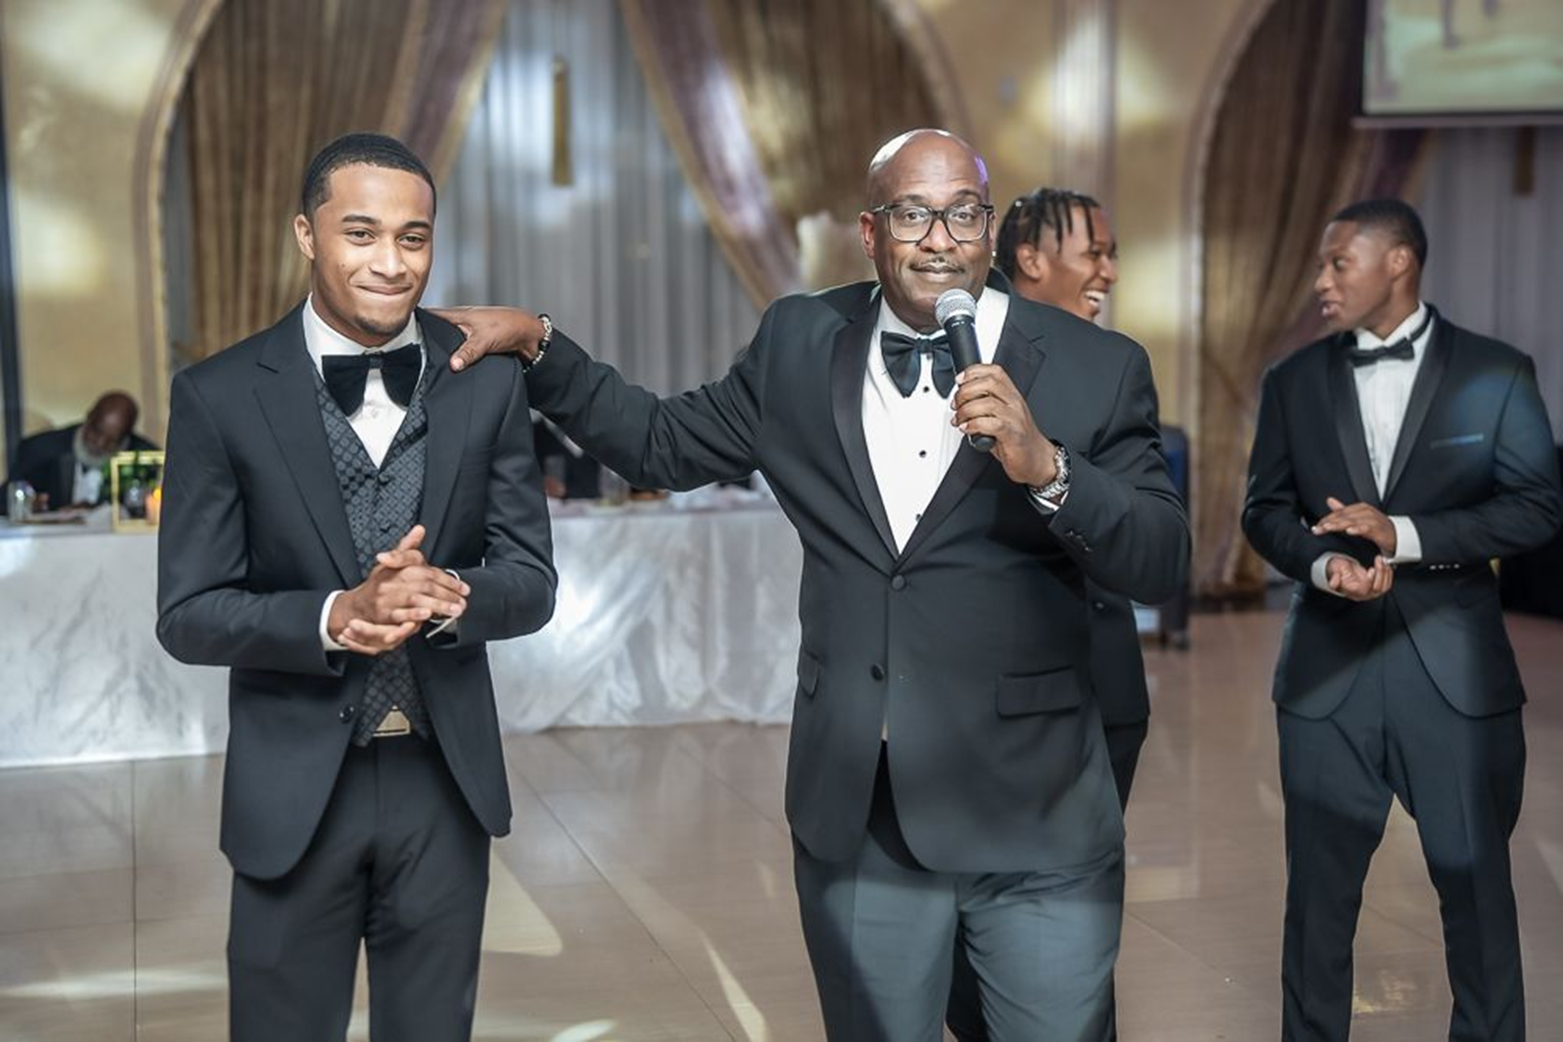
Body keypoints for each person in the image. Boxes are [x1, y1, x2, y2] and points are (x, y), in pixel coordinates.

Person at [435, 129, 1187, 1041]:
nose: (939, 238)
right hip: (861, 807)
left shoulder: (1093, 365)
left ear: (988, 231)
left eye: (962, 213)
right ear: (870, 233)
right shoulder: (800, 338)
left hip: (1034, 811)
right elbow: (660, 443)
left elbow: (1157, 555)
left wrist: (1048, 467)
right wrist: (539, 345)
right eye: (913, 213)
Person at [155, 132, 556, 1042]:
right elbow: (187, 614)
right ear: (307, 233)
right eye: (361, 233)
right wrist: (337, 615)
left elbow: (531, 581)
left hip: (442, 784)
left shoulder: (485, 384)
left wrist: (451, 591)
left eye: (412, 239)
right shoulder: (219, 396)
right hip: (295, 788)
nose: (389, 263)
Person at [1243, 198, 1559, 1041]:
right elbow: (1263, 510)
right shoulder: (1292, 381)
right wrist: (1320, 562)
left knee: (1478, 897)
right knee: (1316, 906)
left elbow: (1537, 508)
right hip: (1324, 681)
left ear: (1398, 263)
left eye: (1336, 263)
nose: (1319, 282)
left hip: (1453, 679)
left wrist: (1408, 537)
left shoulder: (1498, 372)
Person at [942, 186, 1142, 1042]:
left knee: (1068, 942)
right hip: (964, 701)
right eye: (1091, 248)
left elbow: (1147, 530)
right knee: (961, 942)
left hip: (1097, 687)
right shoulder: (963, 352)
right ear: (1029, 258)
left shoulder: (1112, 364)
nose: (1107, 268)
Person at [5, 391, 158, 509]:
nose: (100, 443)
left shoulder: (146, 458)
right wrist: (26, 503)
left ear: (127, 436)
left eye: (112, 440)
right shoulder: (40, 449)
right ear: (89, 417)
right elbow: (5, 500)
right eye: (96, 431)